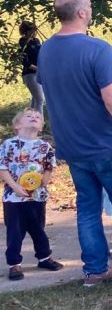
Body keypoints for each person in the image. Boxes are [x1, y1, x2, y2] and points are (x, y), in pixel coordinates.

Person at [36, 0, 112, 288]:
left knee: (88, 206)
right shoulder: (97, 49)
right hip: (107, 144)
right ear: (81, 13)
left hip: (73, 146)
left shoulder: (46, 50)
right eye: (89, 5)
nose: (91, 9)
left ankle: (94, 270)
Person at [0, 109, 64, 280]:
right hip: (14, 198)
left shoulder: (45, 147)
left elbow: (49, 166)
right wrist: (13, 186)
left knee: (38, 229)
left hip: (37, 196)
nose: (34, 118)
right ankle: (14, 264)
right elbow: (3, 167)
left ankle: (44, 257)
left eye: (38, 117)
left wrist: (45, 179)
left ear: (42, 127)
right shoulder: (9, 144)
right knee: (15, 231)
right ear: (17, 125)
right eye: (29, 116)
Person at [18, 21, 44, 112]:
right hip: (30, 74)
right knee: (40, 99)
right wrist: (39, 69)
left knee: (35, 99)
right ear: (27, 32)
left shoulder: (36, 41)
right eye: (33, 31)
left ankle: (30, 121)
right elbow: (25, 62)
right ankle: (39, 123)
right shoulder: (23, 42)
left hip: (38, 73)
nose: (35, 33)